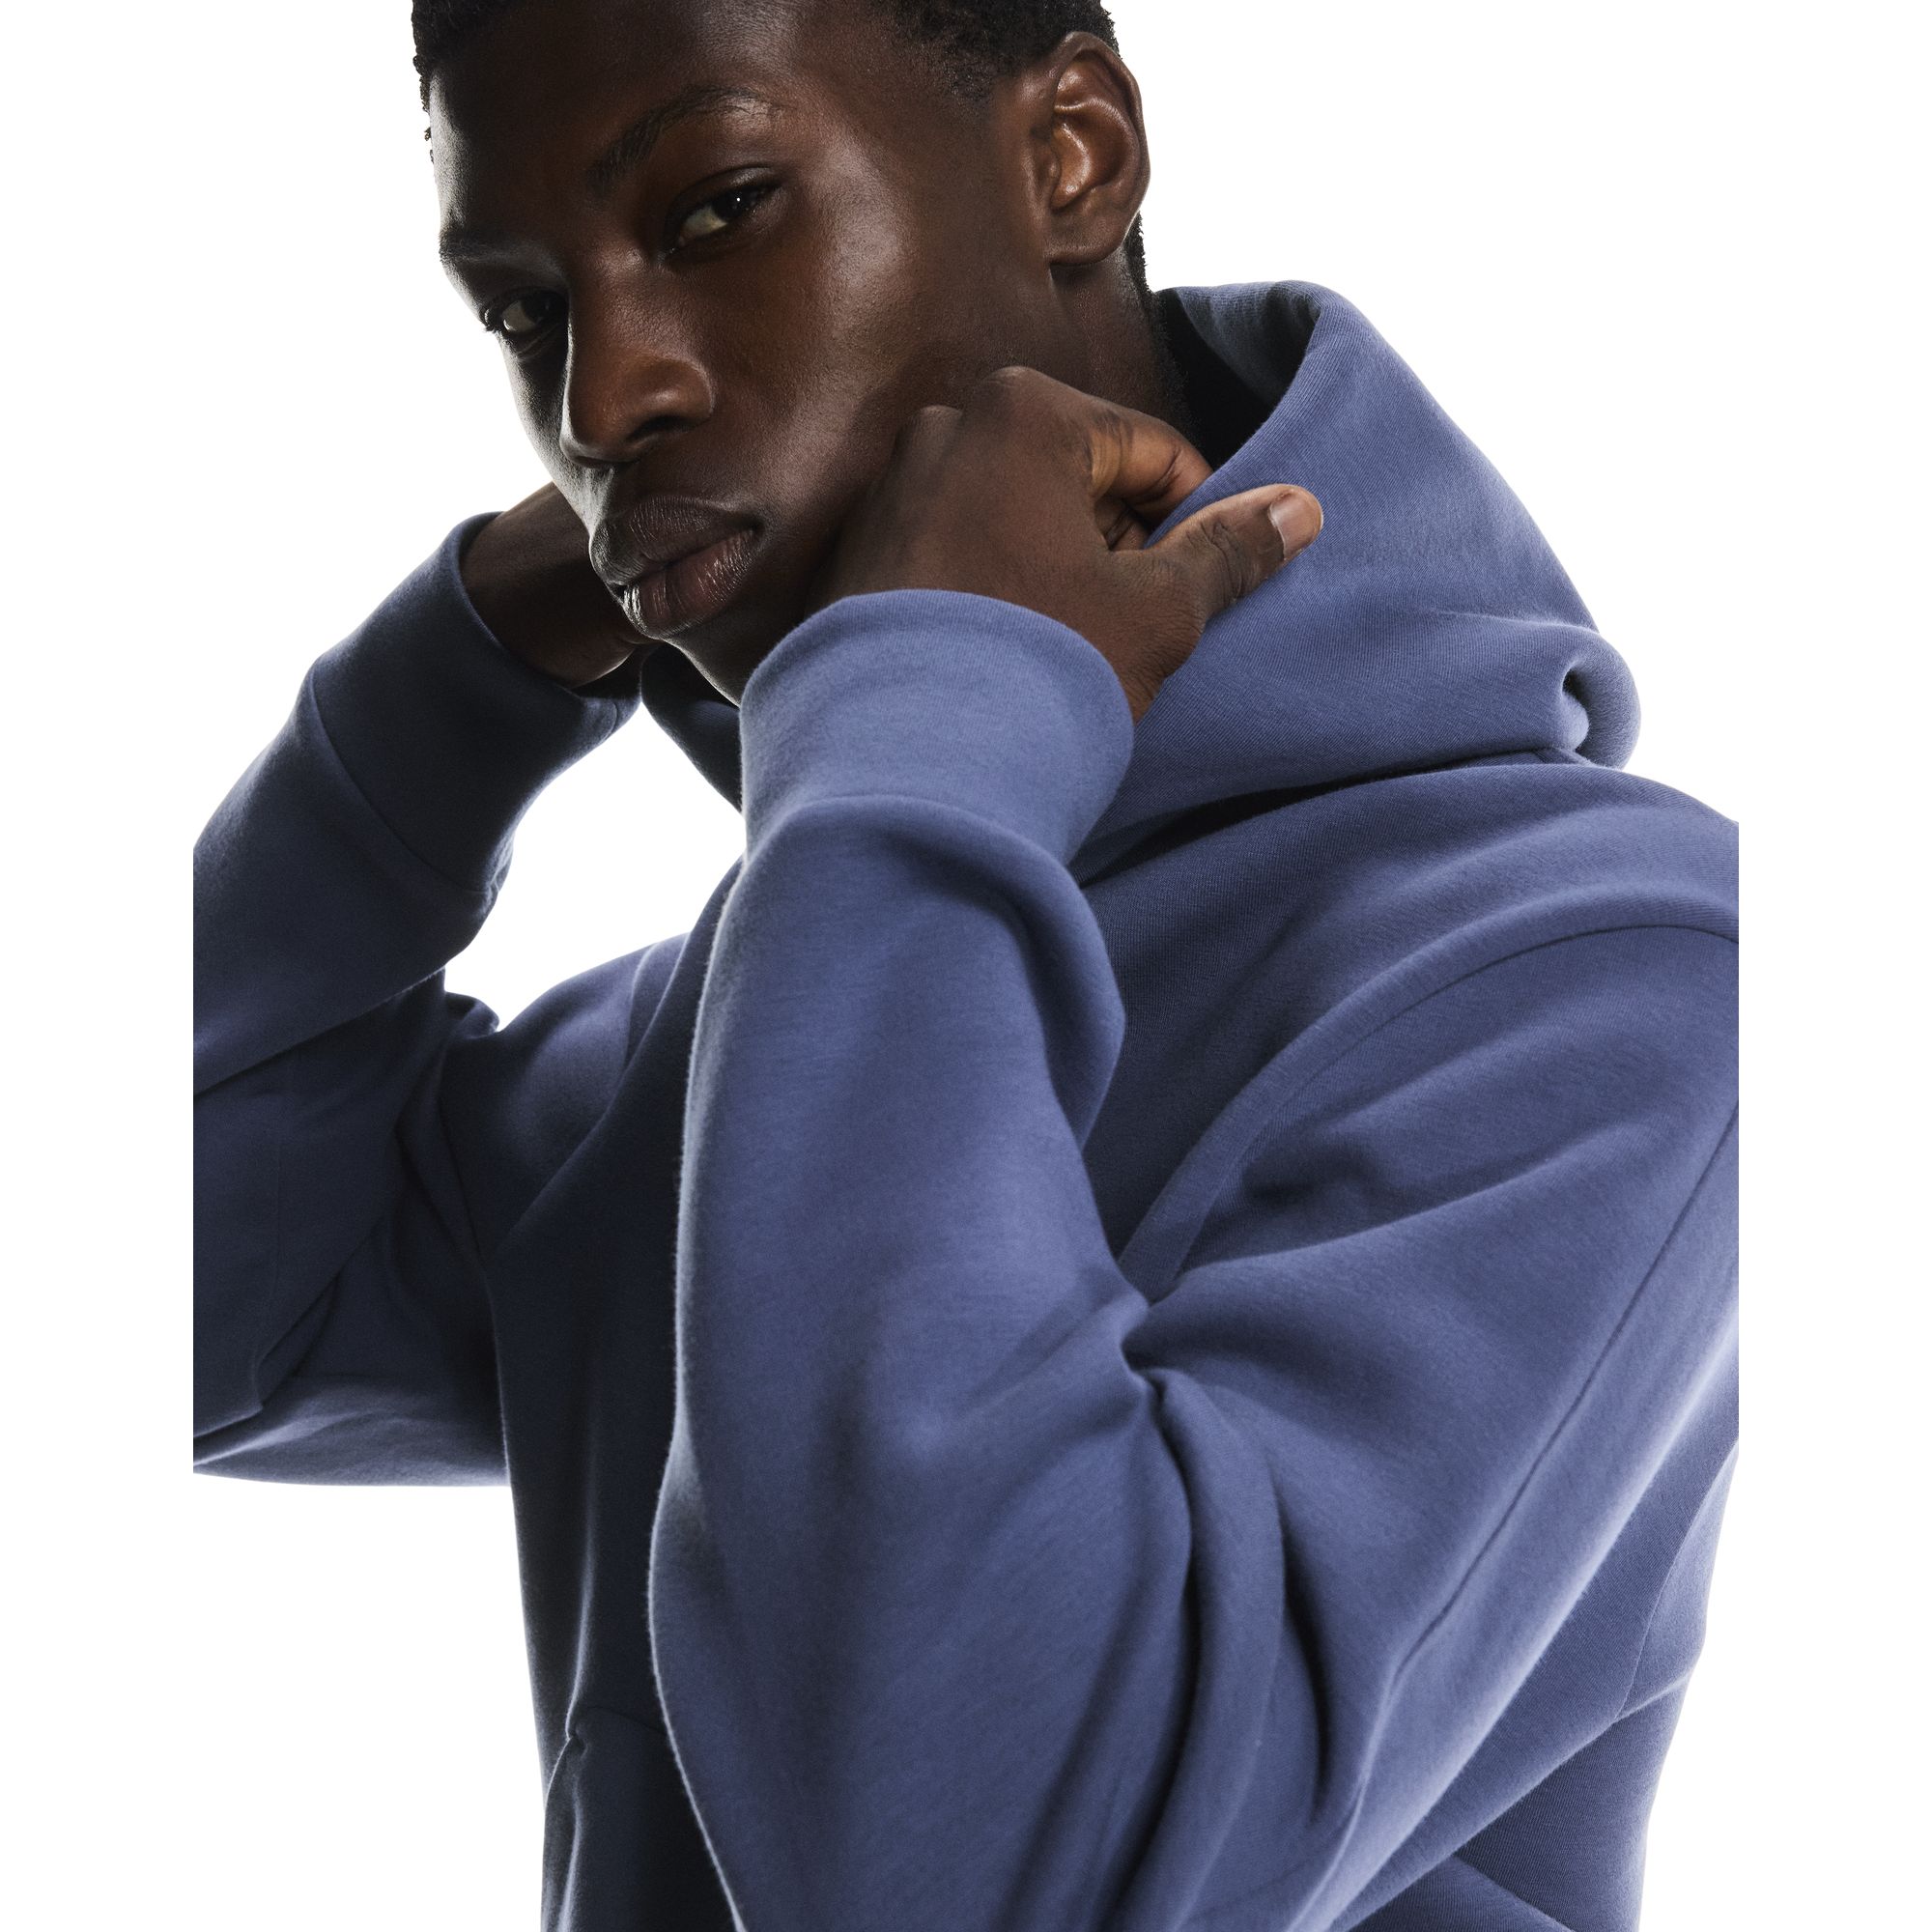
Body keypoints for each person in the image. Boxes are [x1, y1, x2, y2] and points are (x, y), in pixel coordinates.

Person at [192, 0, 1739, 1926]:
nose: (602, 399)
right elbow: (197, 1298)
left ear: (1072, 156)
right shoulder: (797, 980)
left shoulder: (1600, 980)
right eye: (524, 311)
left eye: (718, 208)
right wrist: (456, 678)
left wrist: (922, 722)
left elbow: (985, 1872)